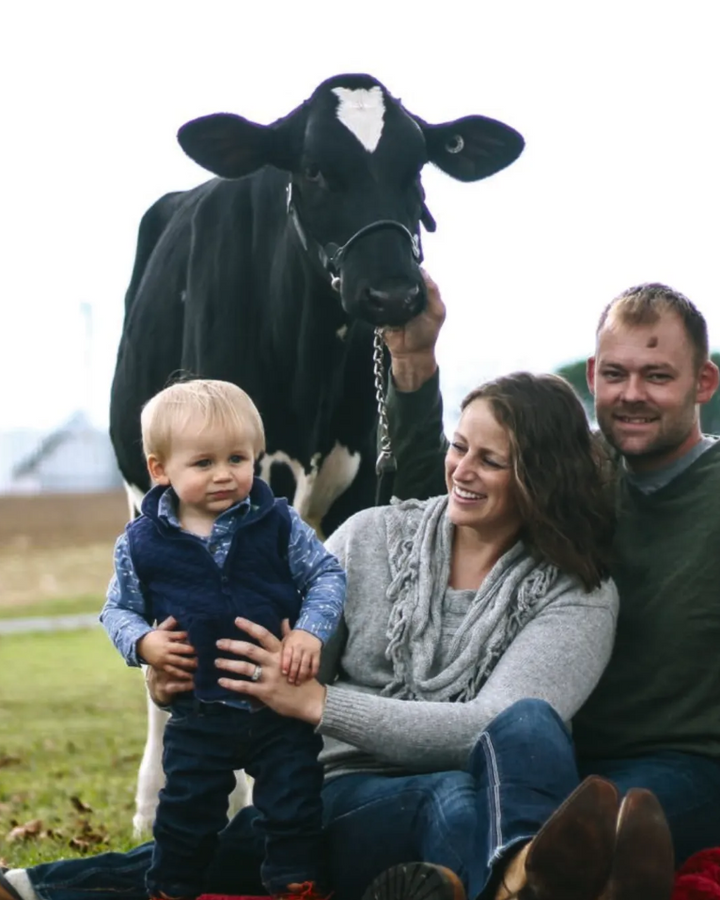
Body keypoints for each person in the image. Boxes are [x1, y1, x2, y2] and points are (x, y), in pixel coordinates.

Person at [2, 368, 671, 900]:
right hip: (346, 792)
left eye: (490, 461)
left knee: (526, 726)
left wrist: (324, 705)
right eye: (458, 446)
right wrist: (174, 666)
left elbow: (489, 728)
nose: (462, 470)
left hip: (489, 788)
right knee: (432, 804)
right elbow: (265, 643)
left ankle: (500, 877)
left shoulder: (578, 592)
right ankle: (527, 875)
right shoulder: (372, 537)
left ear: (541, 476)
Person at [374, 275, 720, 868]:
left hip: (680, 759)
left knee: (591, 840)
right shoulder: (573, 475)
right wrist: (412, 361)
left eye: (657, 375)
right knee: (467, 823)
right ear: (592, 377)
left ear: (703, 382)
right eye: (615, 374)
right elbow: (434, 512)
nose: (632, 393)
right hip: (539, 748)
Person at [99, 379, 347, 900]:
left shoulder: (278, 522)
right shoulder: (141, 543)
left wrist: (309, 631)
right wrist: (144, 645)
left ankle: (295, 883)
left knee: (295, 801)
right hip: (198, 712)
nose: (224, 475)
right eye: (203, 462)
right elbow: (117, 609)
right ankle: (173, 887)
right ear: (160, 469)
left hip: (274, 709)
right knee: (188, 809)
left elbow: (326, 575)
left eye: (238, 458)